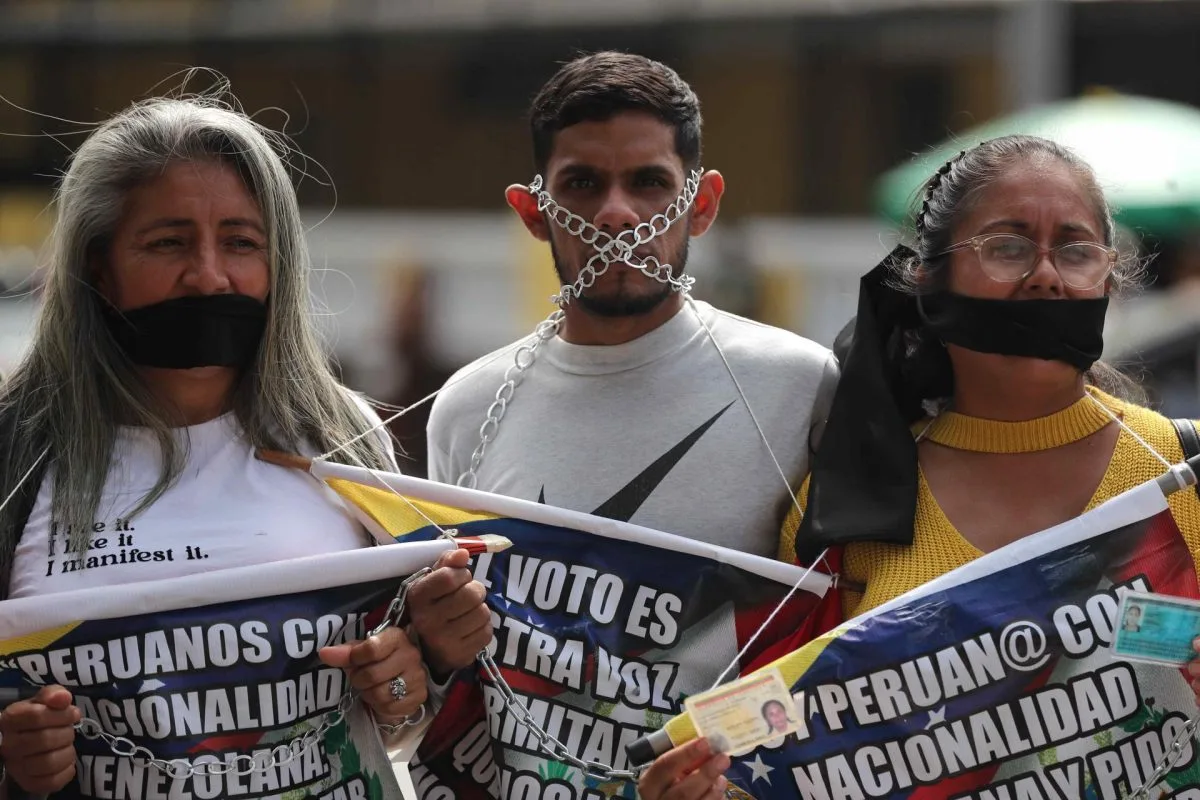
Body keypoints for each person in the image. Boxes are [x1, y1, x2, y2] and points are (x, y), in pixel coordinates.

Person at [0, 87, 489, 798]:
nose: (208, 273)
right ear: (98, 267)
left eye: (240, 242)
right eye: (168, 242)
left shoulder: (341, 436)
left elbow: (407, 726)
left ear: (279, 262)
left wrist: (416, 677)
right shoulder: (17, 451)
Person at [426, 51, 838, 560]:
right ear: (534, 214)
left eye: (648, 182)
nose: (616, 214)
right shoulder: (467, 408)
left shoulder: (798, 384)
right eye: (582, 184)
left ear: (701, 204)